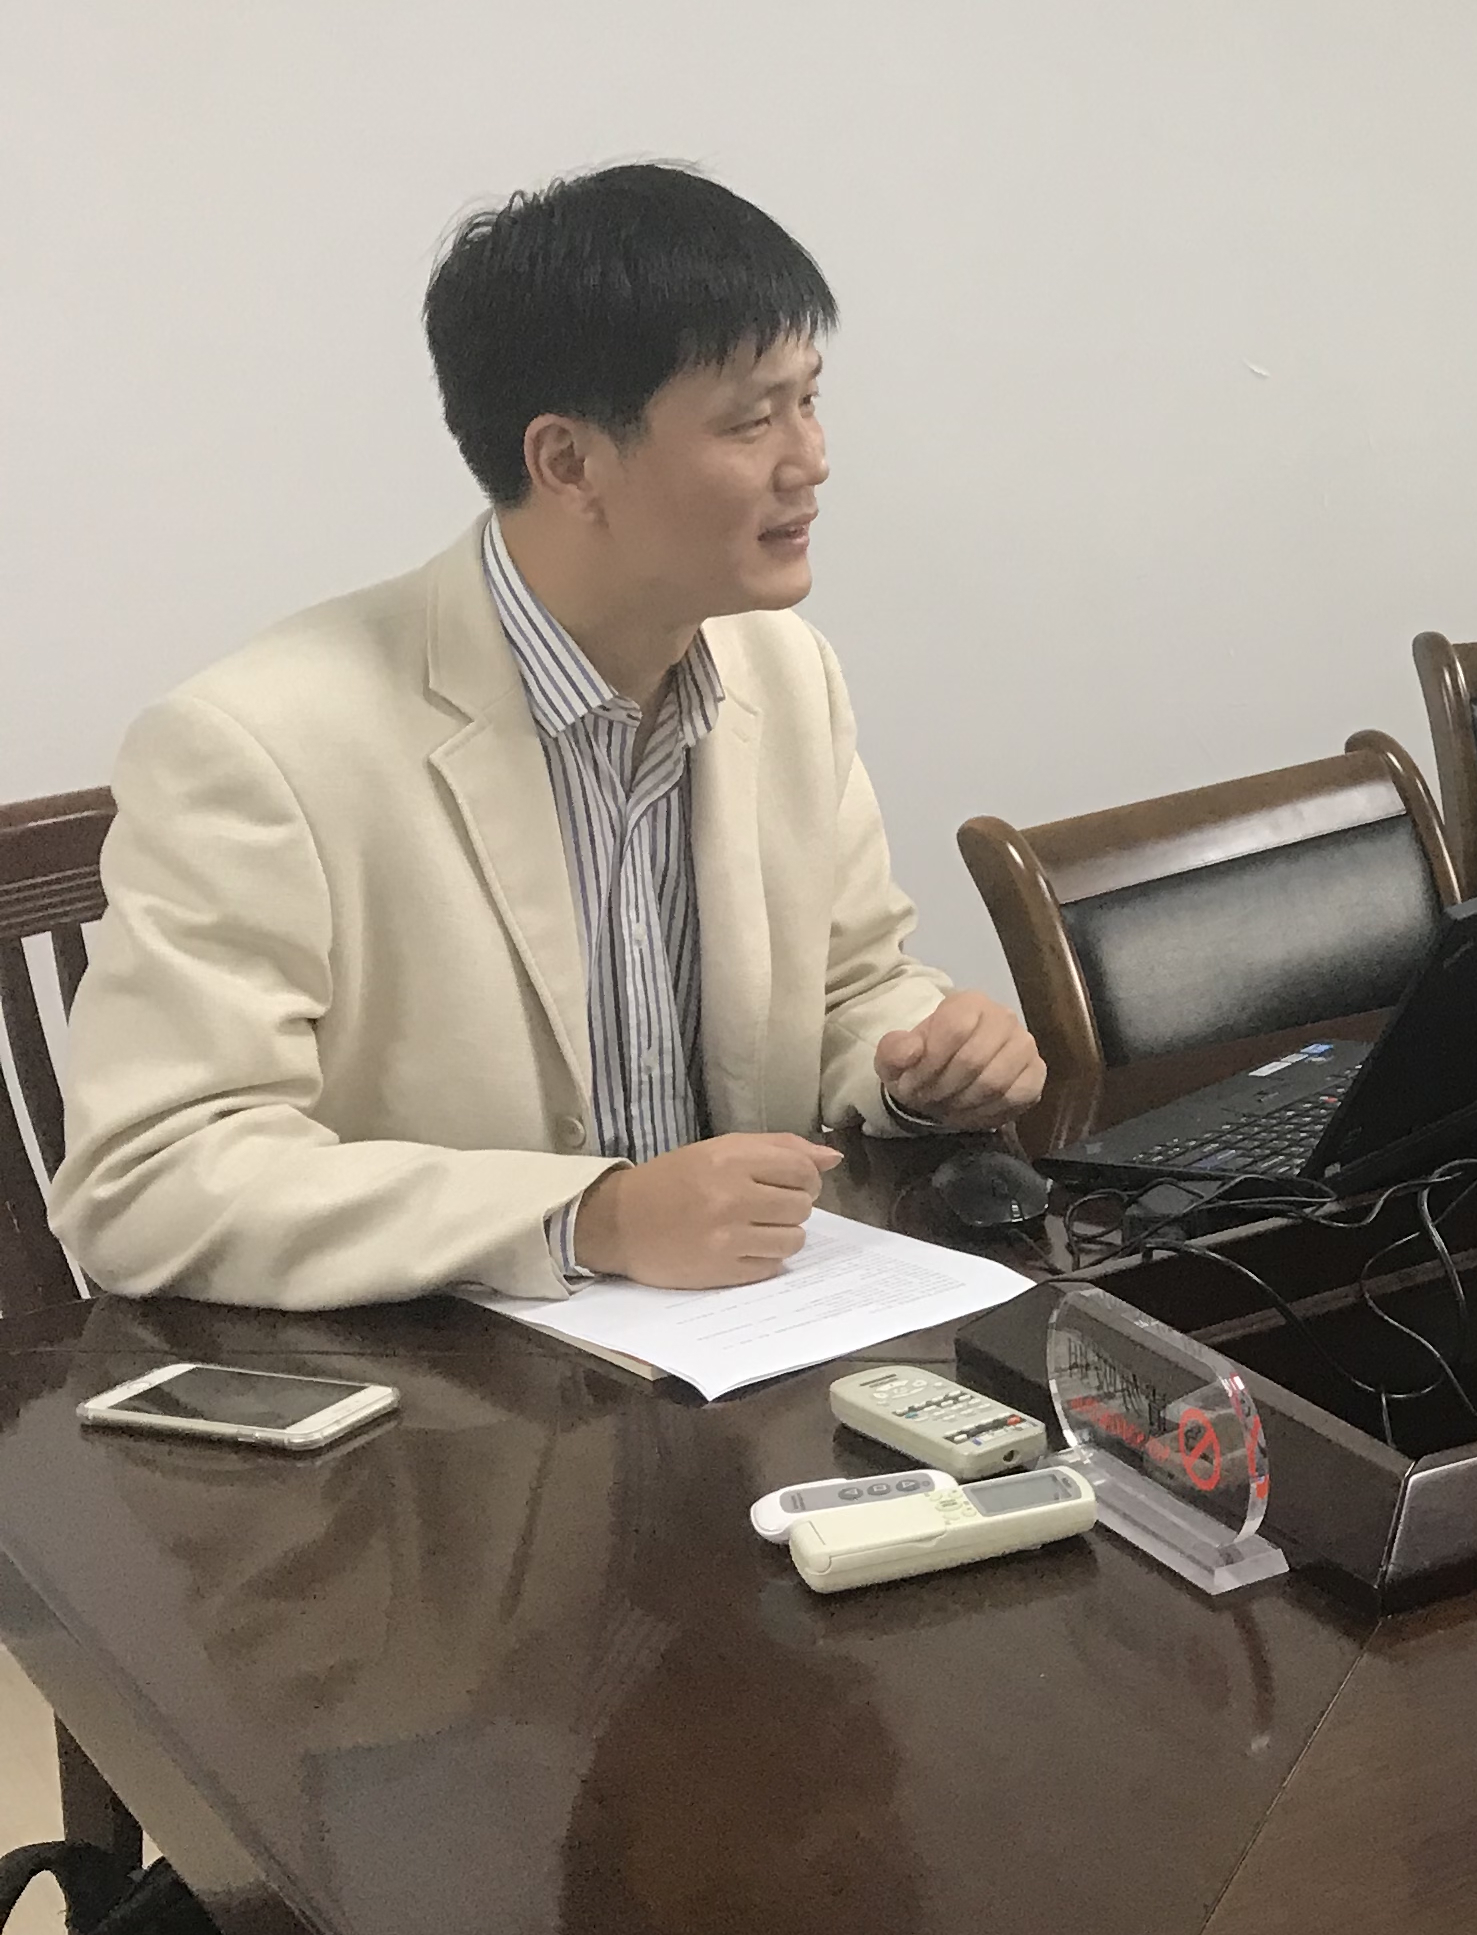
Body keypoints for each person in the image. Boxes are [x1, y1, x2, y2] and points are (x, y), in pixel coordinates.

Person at [52, 165, 1044, 1311]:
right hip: (455, 1386)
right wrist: (590, 1217)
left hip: (754, 1340)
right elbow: (147, 1175)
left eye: (808, 401)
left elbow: (851, 984)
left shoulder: (786, 672)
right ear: (568, 463)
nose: (809, 458)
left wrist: (920, 1061)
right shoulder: (258, 746)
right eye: (751, 419)